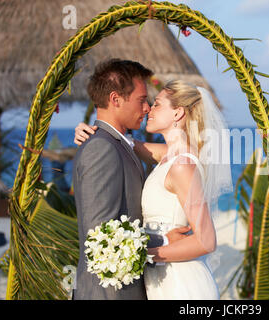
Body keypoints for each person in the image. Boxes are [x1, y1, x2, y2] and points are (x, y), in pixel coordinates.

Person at [74, 79, 232, 299]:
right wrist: (92, 131)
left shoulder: (182, 165)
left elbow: (206, 240)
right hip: (161, 280)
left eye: (157, 104)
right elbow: (122, 141)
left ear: (177, 113)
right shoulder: (169, 154)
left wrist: (141, 255)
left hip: (181, 284)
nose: (148, 108)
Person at [72, 59, 191, 300]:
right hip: (109, 293)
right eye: (141, 100)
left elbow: (178, 155)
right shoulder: (101, 149)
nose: (147, 108)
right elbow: (100, 236)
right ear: (116, 99)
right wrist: (165, 240)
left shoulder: (118, 144)